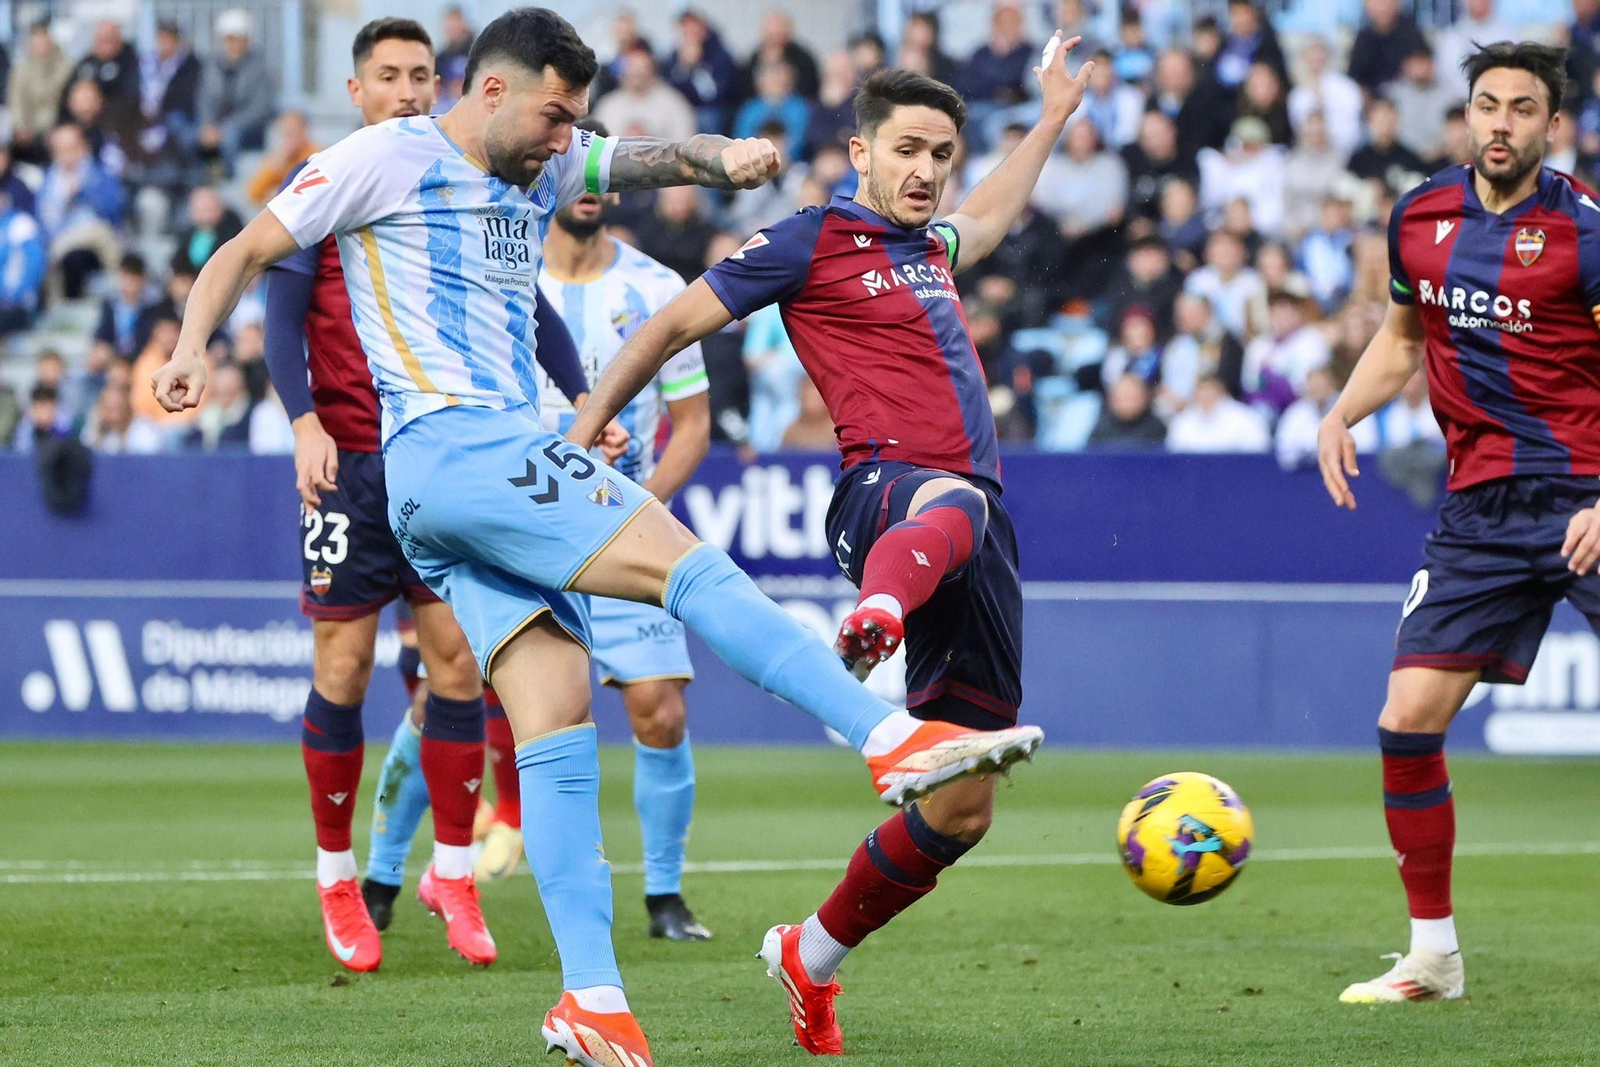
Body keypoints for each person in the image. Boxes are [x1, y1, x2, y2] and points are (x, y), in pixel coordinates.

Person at [152, 9, 1039, 1064]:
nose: (563, 139)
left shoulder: (547, 159)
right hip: (461, 447)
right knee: (690, 567)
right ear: (491, 90)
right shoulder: (384, 157)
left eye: (574, 120)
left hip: (445, 495)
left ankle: (591, 996)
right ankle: (886, 736)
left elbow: (651, 158)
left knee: (558, 716)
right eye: (552, 115)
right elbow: (247, 248)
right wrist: (191, 345)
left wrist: (722, 158)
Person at [566, 37, 1092, 1055]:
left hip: (969, 537)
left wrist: (1054, 116)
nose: (927, 170)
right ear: (860, 152)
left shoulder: (932, 249)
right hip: (883, 497)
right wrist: (582, 433)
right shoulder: (811, 240)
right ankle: (876, 616)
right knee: (953, 495)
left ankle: (809, 953)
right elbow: (669, 326)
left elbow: (992, 211)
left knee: (962, 809)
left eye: (941, 153)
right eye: (907, 149)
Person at [257, 16, 585, 976]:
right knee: (345, 668)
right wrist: (302, 419)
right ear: (356, 91)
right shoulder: (338, 176)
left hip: (442, 461)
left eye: (420, 75)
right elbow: (281, 308)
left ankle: (452, 873)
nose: (406, 91)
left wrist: (582, 402)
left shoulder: (465, 178)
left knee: (456, 664)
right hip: (349, 465)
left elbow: (529, 306)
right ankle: (336, 875)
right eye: (389, 76)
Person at [1318, 42, 1600, 1006]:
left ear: (1552, 126)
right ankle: (1432, 957)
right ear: (1468, 113)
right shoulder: (1420, 215)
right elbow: (1404, 339)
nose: (1501, 123)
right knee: (1406, 721)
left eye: (1522, 108)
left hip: (1586, 492)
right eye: (1487, 104)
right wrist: (1342, 412)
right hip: (1481, 510)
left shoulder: (1584, 233)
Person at [536, 137, 716, 938]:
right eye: (570, 172)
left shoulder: (657, 288)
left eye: (599, 175)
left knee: (660, 711)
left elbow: (694, 424)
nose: (587, 188)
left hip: (620, 532)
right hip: (522, 530)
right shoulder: (508, 279)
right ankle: (386, 877)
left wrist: (644, 506)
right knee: (446, 696)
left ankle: (664, 895)